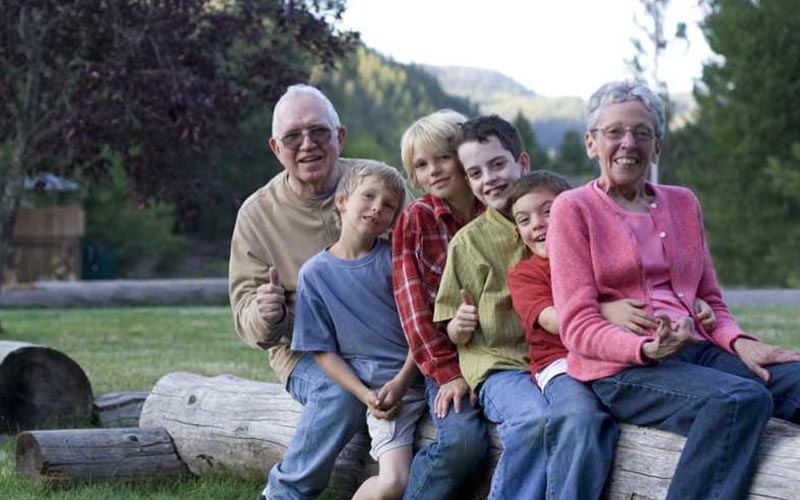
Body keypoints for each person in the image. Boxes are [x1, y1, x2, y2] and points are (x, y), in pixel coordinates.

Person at [548, 80, 800, 500]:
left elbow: (711, 298)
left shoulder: (682, 203)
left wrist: (738, 341)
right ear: (592, 143)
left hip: (698, 351)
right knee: (739, 400)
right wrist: (644, 350)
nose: (628, 143)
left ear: (657, 147)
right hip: (622, 369)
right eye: (614, 132)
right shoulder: (573, 208)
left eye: (642, 133)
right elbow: (576, 324)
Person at [229, 84, 408, 499]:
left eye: (319, 132)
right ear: (276, 147)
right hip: (305, 350)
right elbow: (245, 318)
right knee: (340, 393)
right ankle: (284, 494)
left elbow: (420, 256)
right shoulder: (257, 215)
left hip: (387, 346)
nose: (307, 145)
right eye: (293, 137)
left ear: (339, 136)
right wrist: (266, 313)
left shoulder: (379, 185)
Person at [506, 170, 717, 499]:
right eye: (524, 219)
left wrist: (692, 304)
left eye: (548, 211)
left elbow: (650, 288)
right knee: (581, 419)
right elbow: (553, 320)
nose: (537, 224)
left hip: (610, 355)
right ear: (518, 232)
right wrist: (603, 310)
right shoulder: (525, 274)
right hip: (560, 363)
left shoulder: (592, 254)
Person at [291, 161, 425, 500]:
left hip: (421, 378)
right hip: (383, 394)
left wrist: (405, 378)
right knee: (393, 482)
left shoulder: (398, 261)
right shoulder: (315, 275)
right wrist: (365, 395)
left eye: (389, 205)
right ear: (342, 201)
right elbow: (322, 350)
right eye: (368, 196)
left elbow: (421, 328)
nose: (378, 206)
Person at [431, 115, 544, 499]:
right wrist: (459, 324)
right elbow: (451, 327)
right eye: (475, 172)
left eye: (497, 164)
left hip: (554, 361)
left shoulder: (556, 221)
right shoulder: (468, 243)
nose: (489, 178)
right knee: (534, 421)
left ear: (522, 164)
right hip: (499, 365)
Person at [391, 110, 488, 499]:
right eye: (421, 164)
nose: (434, 170)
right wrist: (448, 372)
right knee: (463, 439)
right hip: (445, 360)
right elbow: (413, 310)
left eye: (443, 157)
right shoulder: (417, 219)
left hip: (505, 354)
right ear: (413, 177)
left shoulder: (497, 207)